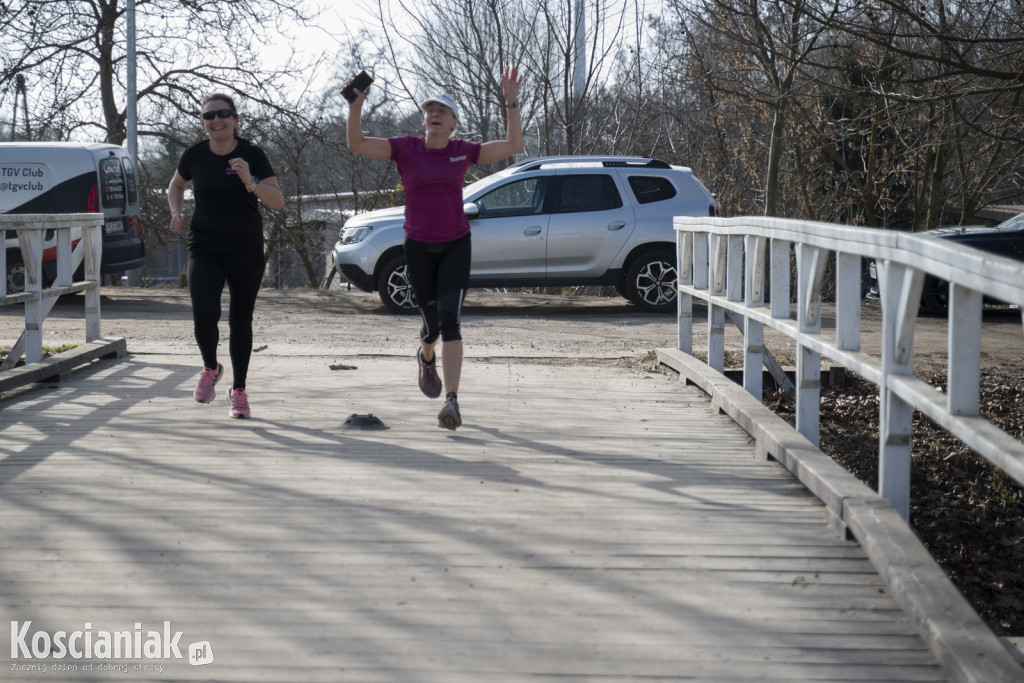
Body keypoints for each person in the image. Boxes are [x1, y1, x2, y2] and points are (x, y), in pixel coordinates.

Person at [345, 67, 524, 430]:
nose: (435, 114)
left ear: (454, 122)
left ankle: (452, 401)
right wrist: (355, 107)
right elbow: (357, 144)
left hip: (455, 244)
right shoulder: (405, 148)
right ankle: (425, 356)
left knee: (451, 322)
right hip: (418, 247)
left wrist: (511, 103)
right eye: (430, 110)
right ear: (424, 120)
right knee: (431, 327)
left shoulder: (463, 151)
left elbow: (512, 146)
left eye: (443, 111)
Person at [167, 93, 284, 419]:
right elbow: (175, 186)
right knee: (204, 313)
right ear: (203, 122)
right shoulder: (194, 155)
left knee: (240, 320)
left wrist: (251, 180)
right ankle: (211, 367)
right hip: (204, 246)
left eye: (223, 114)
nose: (216, 120)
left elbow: (277, 201)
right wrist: (176, 211)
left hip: (245, 248)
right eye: (209, 116)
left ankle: (239, 390)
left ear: (235, 119)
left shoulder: (252, 154)